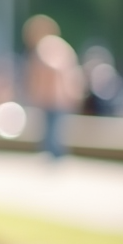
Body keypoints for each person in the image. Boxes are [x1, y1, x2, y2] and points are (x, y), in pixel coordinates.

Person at [22, 14, 84, 158]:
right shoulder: (59, 45)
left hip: (53, 99)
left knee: (52, 135)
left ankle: (54, 161)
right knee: (55, 133)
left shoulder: (45, 46)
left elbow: (53, 68)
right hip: (59, 98)